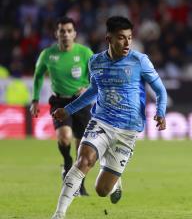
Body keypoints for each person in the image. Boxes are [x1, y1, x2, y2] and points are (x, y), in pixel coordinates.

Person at [50, 16, 167, 219]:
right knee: (84, 160)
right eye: (121, 38)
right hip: (102, 121)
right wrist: (68, 110)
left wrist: (161, 111)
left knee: (102, 190)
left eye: (130, 38)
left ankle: (114, 182)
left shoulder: (139, 61)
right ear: (109, 38)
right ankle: (59, 214)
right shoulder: (95, 62)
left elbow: (160, 90)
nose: (127, 43)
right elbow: (93, 92)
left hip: (128, 130)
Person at [30, 16, 93, 196]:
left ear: (75, 34)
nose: (65, 34)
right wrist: (35, 99)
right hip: (60, 102)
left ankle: (79, 184)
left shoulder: (85, 53)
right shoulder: (48, 54)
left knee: (83, 148)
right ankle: (66, 163)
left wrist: (87, 87)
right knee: (64, 137)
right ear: (56, 33)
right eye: (62, 31)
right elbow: (38, 75)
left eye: (68, 31)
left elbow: (96, 75)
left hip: (81, 102)